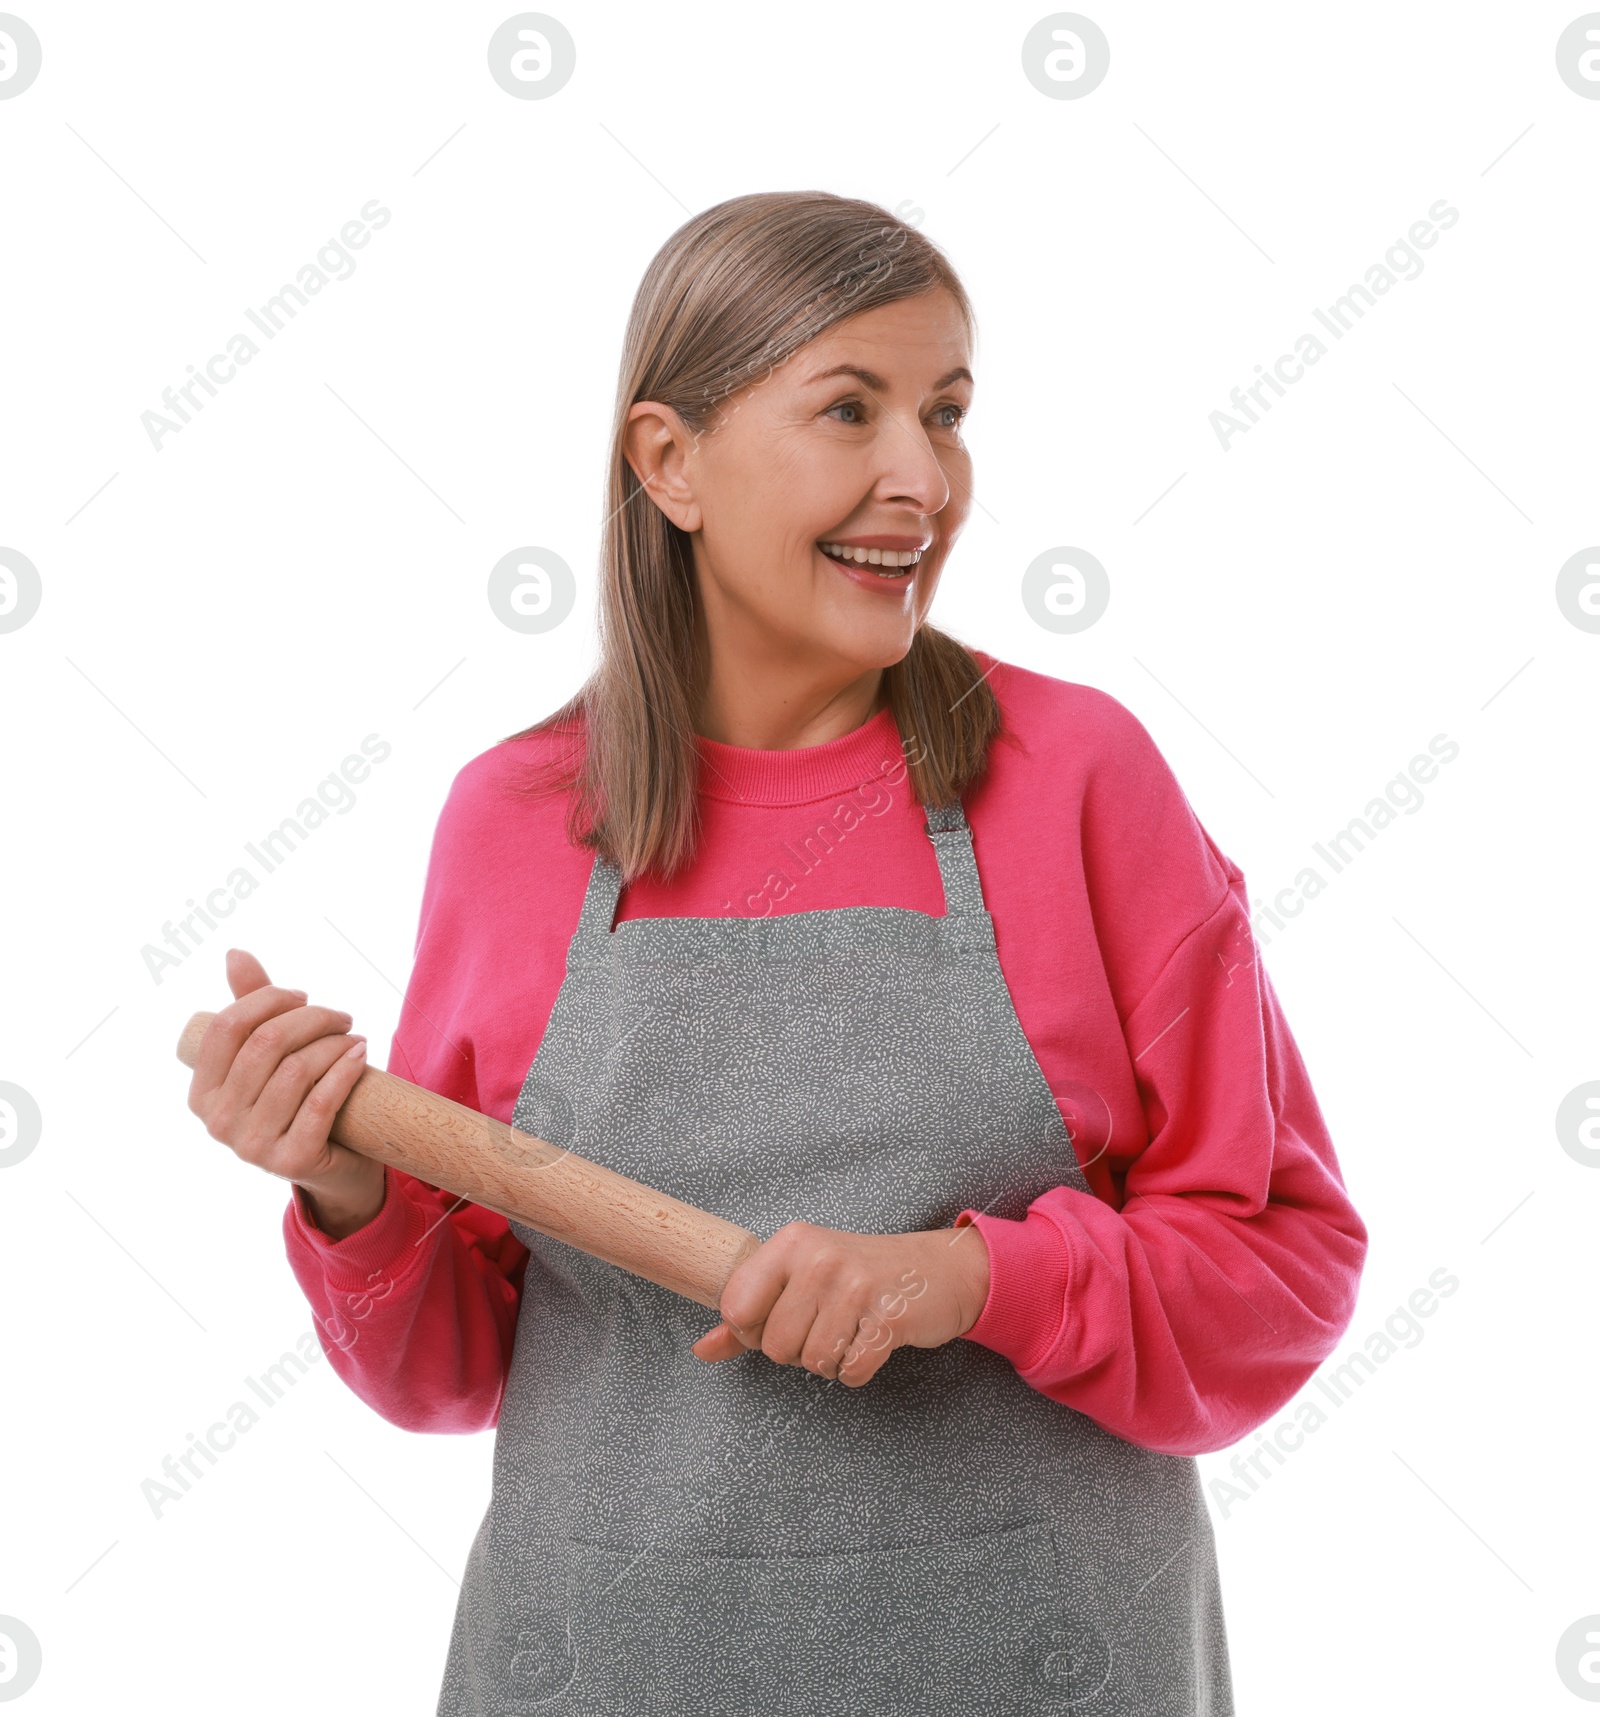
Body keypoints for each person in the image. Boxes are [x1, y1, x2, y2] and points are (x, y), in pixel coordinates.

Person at [186, 191, 1368, 1716]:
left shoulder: (1078, 777)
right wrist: (344, 1187)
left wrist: (969, 1279)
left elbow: (1280, 1270)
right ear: (669, 461)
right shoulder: (517, 822)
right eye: (850, 410)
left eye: (946, 413)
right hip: (600, 1670)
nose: (922, 478)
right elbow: (454, 1367)